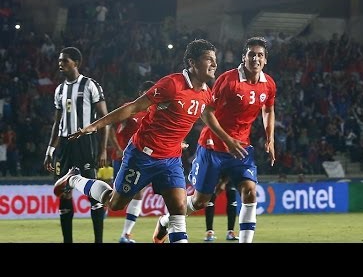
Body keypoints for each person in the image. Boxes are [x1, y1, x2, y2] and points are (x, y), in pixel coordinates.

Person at [54, 39, 247, 243]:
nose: (214, 64)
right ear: (192, 62)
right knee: (115, 203)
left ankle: (163, 226)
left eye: (215, 60)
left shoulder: (206, 92)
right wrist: (95, 125)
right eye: (208, 59)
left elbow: (206, 115)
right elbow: (133, 107)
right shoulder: (171, 84)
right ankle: (74, 179)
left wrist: (227, 139)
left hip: (171, 160)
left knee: (179, 210)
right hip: (142, 155)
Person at [155, 36, 276, 243]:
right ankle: (167, 221)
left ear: (265, 60)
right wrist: (228, 139)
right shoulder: (228, 81)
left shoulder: (269, 84)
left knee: (250, 192)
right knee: (201, 201)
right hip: (213, 147)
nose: (255, 58)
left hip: (241, 148)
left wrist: (270, 138)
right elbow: (206, 112)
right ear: (243, 57)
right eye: (251, 54)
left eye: (260, 55)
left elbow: (268, 109)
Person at [43, 46, 108, 243]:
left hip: (85, 144)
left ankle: (98, 240)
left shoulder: (90, 85)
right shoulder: (60, 89)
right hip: (64, 147)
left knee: (93, 195)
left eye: (65, 61)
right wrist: (50, 150)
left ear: (76, 63)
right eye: (60, 61)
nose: (60, 64)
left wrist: (103, 149)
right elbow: (57, 122)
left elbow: (105, 119)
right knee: (64, 193)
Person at [108, 80, 155, 243]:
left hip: (141, 160)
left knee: (138, 193)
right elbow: (110, 127)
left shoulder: (154, 113)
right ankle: (93, 197)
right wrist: (117, 148)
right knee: (117, 197)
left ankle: (126, 234)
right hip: (122, 158)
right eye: (148, 92)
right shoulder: (131, 108)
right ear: (141, 93)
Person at [204, 176, 239, 241]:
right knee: (211, 199)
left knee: (232, 199)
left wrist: (224, 182)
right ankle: (209, 233)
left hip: (229, 173)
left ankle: (230, 232)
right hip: (214, 173)